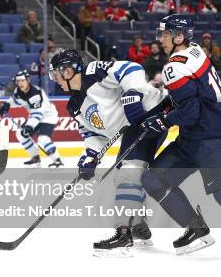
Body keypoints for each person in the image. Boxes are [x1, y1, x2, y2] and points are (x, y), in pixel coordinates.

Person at [49, 49, 166, 256]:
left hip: (150, 113)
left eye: (56, 74)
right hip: (131, 127)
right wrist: (90, 156)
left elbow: (131, 67)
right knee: (125, 176)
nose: (55, 79)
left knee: (128, 172)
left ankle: (123, 233)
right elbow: (93, 133)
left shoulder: (93, 72)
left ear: (68, 71)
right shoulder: (74, 105)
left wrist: (133, 94)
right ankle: (137, 226)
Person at [140, 14, 221, 255]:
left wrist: (164, 120)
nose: (160, 39)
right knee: (153, 178)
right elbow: (191, 96)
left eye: (164, 35)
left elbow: (191, 113)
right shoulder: (195, 51)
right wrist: (167, 106)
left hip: (210, 138)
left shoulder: (173, 66)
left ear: (179, 37)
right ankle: (196, 228)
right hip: (191, 140)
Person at [0, 70, 64, 167]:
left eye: (22, 81)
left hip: (47, 116)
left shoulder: (35, 93)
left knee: (43, 139)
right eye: (18, 81)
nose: (20, 83)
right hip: (35, 117)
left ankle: (57, 160)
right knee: (20, 134)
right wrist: (6, 105)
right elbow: (16, 100)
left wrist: (29, 126)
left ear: (28, 80)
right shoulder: (19, 91)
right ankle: (35, 157)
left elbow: (38, 113)